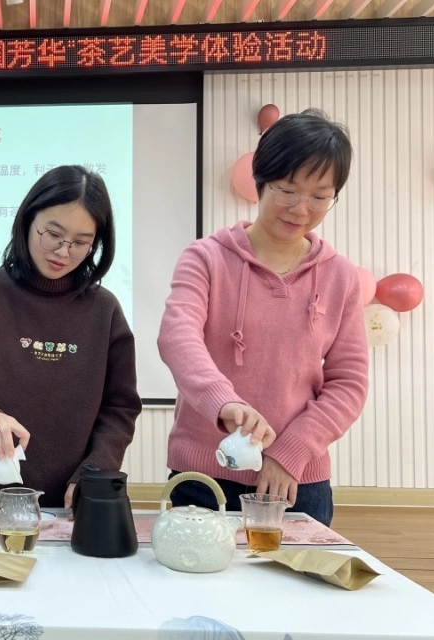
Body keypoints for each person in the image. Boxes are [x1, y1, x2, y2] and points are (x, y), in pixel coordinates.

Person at [157, 109, 370, 526]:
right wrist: (225, 403)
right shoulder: (206, 258)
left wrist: (291, 451)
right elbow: (178, 337)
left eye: (320, 196)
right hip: (205, 475)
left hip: (295, 479)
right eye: (287, 190)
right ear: (260, 179)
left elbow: (349, 383)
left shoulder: (340, 276)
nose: (301, 209)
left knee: (292, 572)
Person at [0, 165, 142, 510]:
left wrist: (96, 468)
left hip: (70, 506)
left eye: (81, 243)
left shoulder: (104, 310)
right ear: (27, 221)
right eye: (53, 234)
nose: (63, 252)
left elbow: (120, 407)